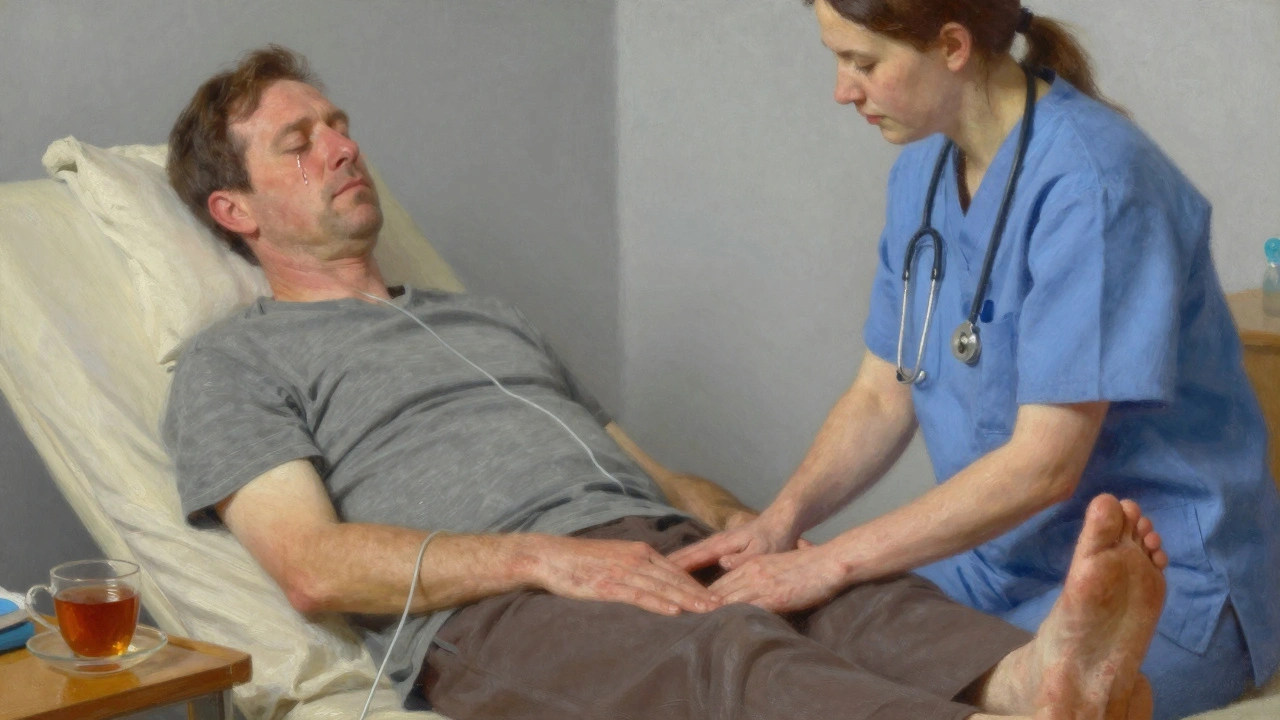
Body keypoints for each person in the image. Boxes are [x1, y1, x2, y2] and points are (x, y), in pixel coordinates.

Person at [162, 45, 1169, 720]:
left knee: (854, 605)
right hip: (499, 612)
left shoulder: (484, 318)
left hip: (653, 549)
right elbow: (313, 565)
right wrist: (541, 562)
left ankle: (1035, 679)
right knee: (732, 667)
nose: (342, 147)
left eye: (337, 124)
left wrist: (755, 537)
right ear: (236, 211)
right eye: (299, 145)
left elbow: (633, 463)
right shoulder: (233, 360)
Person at [672, 2, 1280, 718]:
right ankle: (1029, 668)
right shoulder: (923, 175)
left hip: (1166, 575)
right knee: (799, 648)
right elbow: (881, 394)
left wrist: (828, 558)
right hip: (997, 562)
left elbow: (1043, 465)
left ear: (953, 46)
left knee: (899, 678)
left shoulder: (1096, 185)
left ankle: (1060, 671)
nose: (843, 89)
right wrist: (779, 524)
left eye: (862, 63)